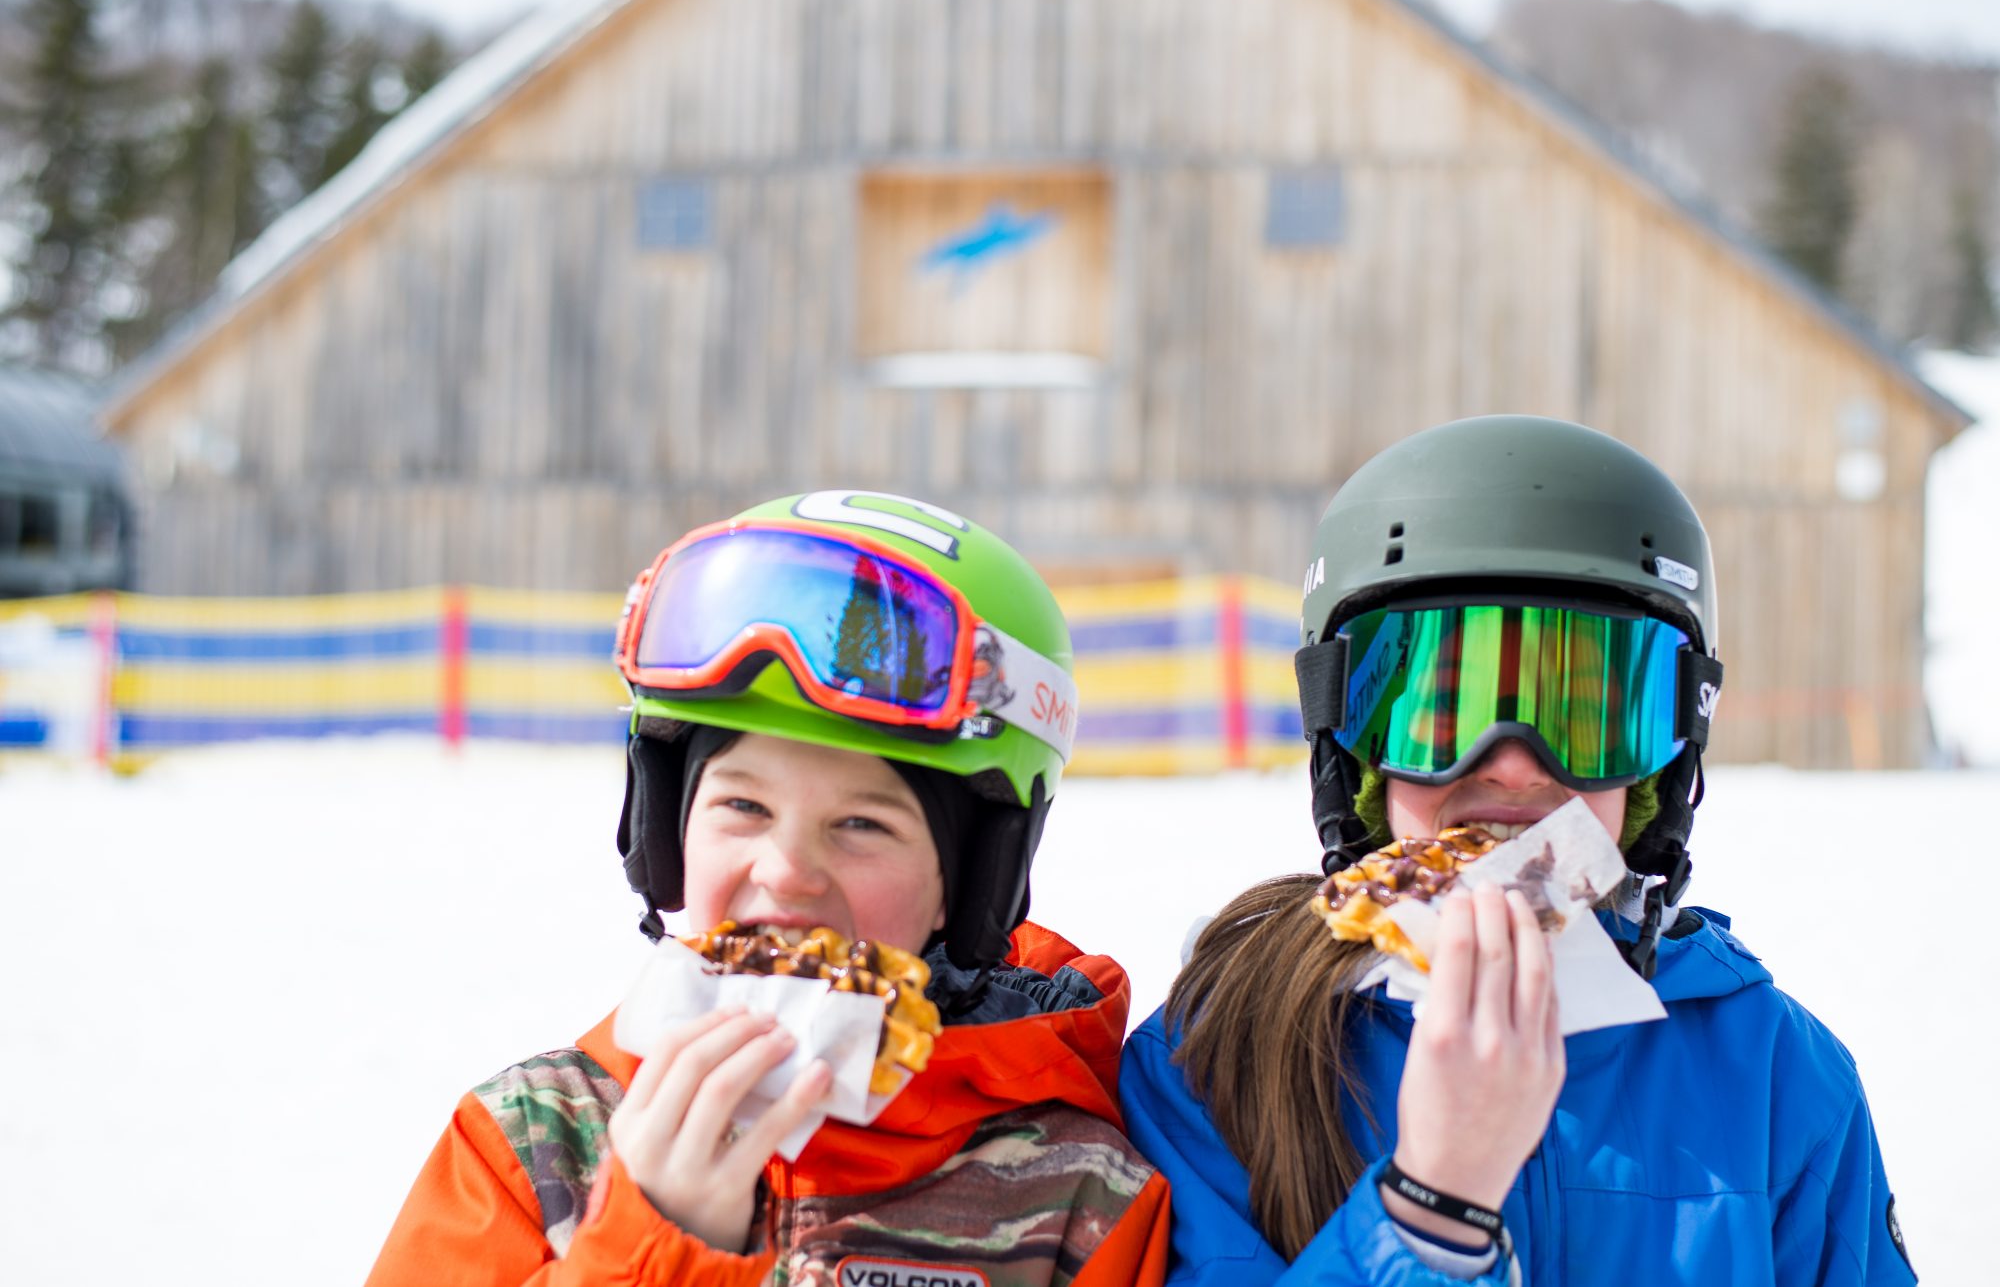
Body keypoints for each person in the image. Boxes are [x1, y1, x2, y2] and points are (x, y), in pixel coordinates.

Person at [1119, 416, 1914, 1285]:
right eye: (1440, 711)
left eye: (1581, 719)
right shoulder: (1218, 1062)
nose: (1510, 762)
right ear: (1350, 756)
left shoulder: (1776, 1081)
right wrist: (1431, 1210)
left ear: (1661, 765)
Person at [368, 490, 1169, 1286]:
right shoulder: (530, 1146)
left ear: (968, 887)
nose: (786, 870)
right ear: (666, 833)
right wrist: (649, 1249)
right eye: (743, 805)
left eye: (861, 824)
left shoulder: (1083, 1201)